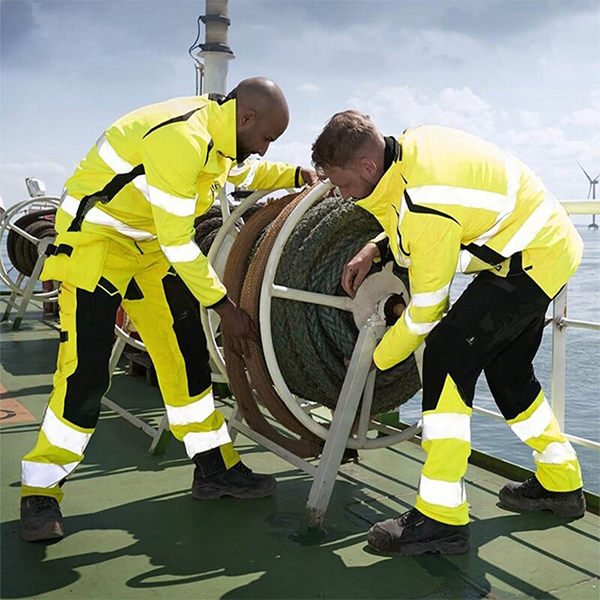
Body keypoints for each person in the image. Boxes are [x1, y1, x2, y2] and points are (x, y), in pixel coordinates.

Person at [20, 77, 318, 542]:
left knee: (187, 357)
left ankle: (214, 468)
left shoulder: (221, 138)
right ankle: (41, 491)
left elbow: (241, 176)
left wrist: (296, 175)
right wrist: (226, 307)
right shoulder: (182, 138)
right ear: (246, 118)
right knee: (85, 373)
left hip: (149, 249)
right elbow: (180, 242)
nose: (264, 148)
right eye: (266, 138)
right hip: (96, 246)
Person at [311, 111, 585, 556]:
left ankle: (441, 518)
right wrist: (375, 248)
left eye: (342, 184)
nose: (342, 195)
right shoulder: (408, 152)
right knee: (509, 374)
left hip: (531, 258)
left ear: (366, 166)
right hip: (544, 246)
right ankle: (562, 482)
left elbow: (426, 311)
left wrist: (375, 361)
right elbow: (407, 213)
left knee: (445, 355)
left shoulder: (424, 202)